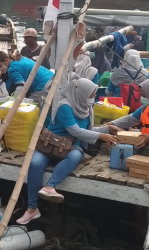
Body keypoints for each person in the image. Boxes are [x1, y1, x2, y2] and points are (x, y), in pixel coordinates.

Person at [17, 76, 119, 224]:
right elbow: (75, 130)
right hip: (49, 144)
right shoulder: (64, 106)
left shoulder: (86, 107)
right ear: (81, 93)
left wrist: (107, 128)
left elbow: (88, 130)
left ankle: (50, 186)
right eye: (91, 94)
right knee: (35, 163)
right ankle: (32, 208)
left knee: (76, 155)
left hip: (70, 146)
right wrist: (101, 136)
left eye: (94, 94)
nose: (93, 97)